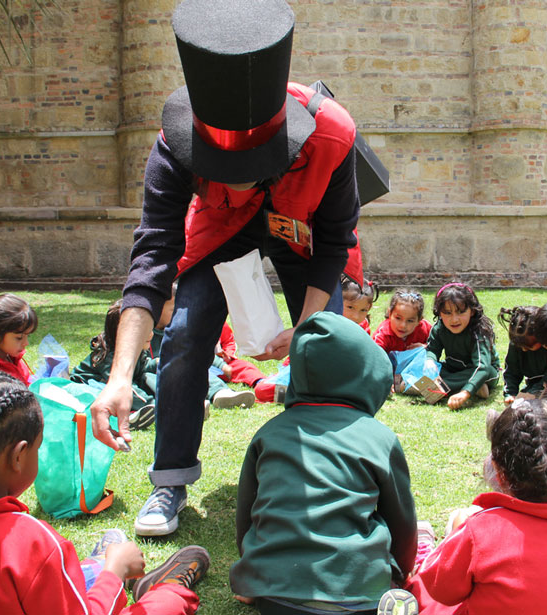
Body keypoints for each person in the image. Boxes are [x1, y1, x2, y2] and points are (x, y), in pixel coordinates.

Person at [90, 0, 365, 536]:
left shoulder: (332, 136)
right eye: (222, 169)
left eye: (251, 168)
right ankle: (170, 478)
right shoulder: (173, 147)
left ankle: (328, 475)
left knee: (324, 342)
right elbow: (151, 262)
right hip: (218, 230)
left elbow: (333, 244)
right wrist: (120, 376)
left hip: (301, 230)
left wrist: (306, 325)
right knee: (188, 332)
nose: (238, 180)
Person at [0, 370, 210, 615]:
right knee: (166, 603)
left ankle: (98, 565)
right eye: (39, 447)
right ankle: (157, 583)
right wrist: (115, 572)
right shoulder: (32, 541)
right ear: (19, 456)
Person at [230, 312, 416, 615]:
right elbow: (401, 521)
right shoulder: (379, 438)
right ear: (366, 372)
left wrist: (253, 575)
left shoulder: (269, 433)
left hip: (276, 600)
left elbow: (247, 517)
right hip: (361, 599)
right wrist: (402, 569)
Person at [406, 399, 547, 615]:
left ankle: (425, 551)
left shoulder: (479, 532)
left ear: (498, 472)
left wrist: (456, 533)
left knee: (426, 594)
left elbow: (441, 591)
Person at [72, 299, 158, 430]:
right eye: (142, 331)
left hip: (120, 383)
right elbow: (122, 384)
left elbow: (142, 368)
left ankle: (168, 401)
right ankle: (139, 414)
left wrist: (157, 364)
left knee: (148, 377)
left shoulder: (138, 348)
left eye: (150, 328)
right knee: (124, 389)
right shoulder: (109, 356)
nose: (150, 334)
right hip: (89, 387)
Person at [426, 283, 500, 410]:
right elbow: (432, 350)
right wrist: (430, 361)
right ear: (439, 313)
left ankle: (435, 389)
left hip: (483, 371)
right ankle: (475, 387)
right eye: (447, 313)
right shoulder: (439, 328)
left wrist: (465, 392)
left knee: (482, 373)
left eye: (461, 312)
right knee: (429, 367)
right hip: (454, 368)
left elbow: (482, 367)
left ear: (472, 311)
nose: (454, 320)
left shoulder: (479, 332)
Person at [497, 305, 547, 405]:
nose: (524, 350)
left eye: (528, 346)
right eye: (520, 346)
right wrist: (510, 393)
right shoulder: (517, 343)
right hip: (532, 386)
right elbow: (512, 371)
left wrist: (533, 393)